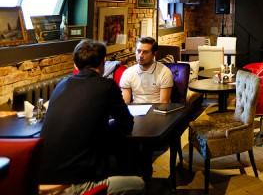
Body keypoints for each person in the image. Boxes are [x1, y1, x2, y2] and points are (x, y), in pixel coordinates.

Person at [38, 40, 144, 194]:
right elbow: (127, 124)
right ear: (103, 63)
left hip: (38, 183)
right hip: (72, 186)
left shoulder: (61, 84)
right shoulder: (107, 86)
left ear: (75, 64)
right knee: (139, 184)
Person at [120, 36, 173, 104]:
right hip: (136, 108)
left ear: (154, 54)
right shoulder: (128, 73)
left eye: (145, 52)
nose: (140, 55)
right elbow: (125, 102)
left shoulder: (164, 72)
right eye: (138, 51)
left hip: (157, 108)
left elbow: (164, 103)